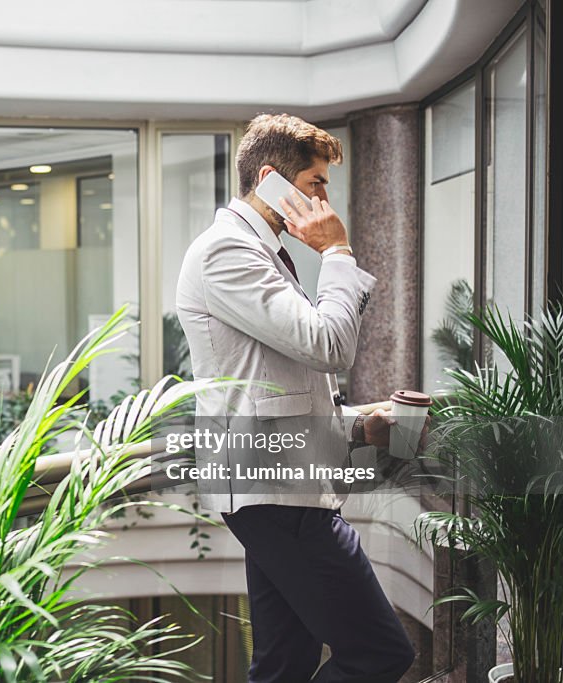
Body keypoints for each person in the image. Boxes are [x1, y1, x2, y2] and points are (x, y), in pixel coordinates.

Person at [176, 114, 416, 682]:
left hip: (280, 489)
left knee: (285, 663)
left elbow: (274, 382)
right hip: (276, 494)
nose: (325, 200)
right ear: (270, 179)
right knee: (381, 654)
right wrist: (337, 252)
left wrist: (358, 425)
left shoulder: (260, 252)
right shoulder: (226, 252)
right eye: (315, 183)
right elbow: (327, 344)